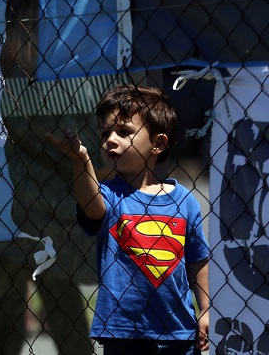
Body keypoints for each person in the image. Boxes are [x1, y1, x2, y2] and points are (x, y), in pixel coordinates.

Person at [48, 84, 210, 355]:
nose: (110, 139)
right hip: (124, 335)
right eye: (105, 133)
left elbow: (198, 260)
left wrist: (205, 309)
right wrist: (81, 160)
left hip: (178, 333)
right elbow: (91, 205)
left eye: (123, 132)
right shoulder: (110, 195)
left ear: (157, 143)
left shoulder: (185, 202)